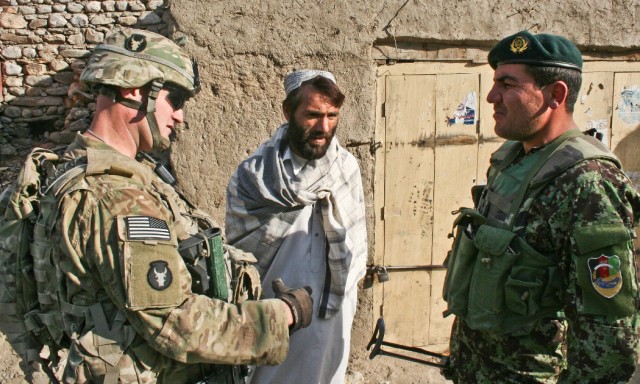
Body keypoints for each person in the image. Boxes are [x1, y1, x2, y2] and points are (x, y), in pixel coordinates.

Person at [38, 27, 313, 383]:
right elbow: (179, 324)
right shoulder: (119, 199)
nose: (180, 116)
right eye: (176, 99)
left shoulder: (74, 169)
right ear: (134, 89)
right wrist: (285, 314)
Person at [442, 30, 640, 383]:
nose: (492, 96)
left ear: (556, 94)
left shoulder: (589, 181)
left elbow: (609, 329)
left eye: (507, 84)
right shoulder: (511, 160)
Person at [225, 69, 368, 384]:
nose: (324, 127)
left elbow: (355, 242)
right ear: (288, 111)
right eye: (313, 115)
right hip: (277, 308)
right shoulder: (254, 175)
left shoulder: (346, 168)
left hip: (333, 308)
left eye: (332, 115)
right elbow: (239, 253)